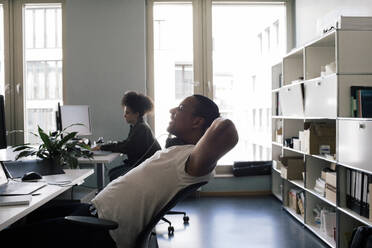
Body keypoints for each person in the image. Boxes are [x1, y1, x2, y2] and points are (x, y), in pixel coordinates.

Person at [0, 95, 238, 248]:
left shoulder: (192, 160)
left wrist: (214, 118)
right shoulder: (181, 151)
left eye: (182, 107)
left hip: (100, 230)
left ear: (198, 122)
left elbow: (225, 128)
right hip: (93, 212)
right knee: (27, 216)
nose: (172, 110)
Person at [93, 91, 161, 181]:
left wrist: (102, 147)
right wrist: (104, 146)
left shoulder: (141, 128)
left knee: (114, 174)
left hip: (146, 167)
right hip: (143, 164)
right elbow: (128, 144)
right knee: (113, 172)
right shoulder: (138, 126)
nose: (124, 115)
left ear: (136, 114)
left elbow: (126, 147)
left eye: (127, 113)